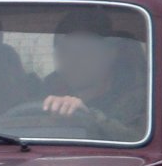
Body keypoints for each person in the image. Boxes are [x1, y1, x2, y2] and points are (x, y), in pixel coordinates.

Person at [39, 8, 147, 140]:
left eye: (85, 51)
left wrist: (88, 117)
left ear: (110, 54)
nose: (72, 60)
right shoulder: (40, 95)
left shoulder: (140, 102)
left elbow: (137, 142)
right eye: (64, 50)